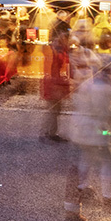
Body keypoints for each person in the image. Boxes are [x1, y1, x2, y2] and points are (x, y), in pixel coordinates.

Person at [63, 46, 111, 221]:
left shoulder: (89, 83)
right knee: (104, 161)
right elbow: (104, 112)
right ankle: (107, 197)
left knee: (83, 165)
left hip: (81, 129)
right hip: (93, 132)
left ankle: (73, 207)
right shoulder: (103, 88)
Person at [41, 11, 73, 142]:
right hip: (53, 83)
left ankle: (48, 132)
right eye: (66, 37)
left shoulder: (58, 48)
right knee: (54, 109)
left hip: (55, 82)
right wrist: (55, 83)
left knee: (55, 109)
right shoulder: (55, 50)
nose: (68, 39)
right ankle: (49, 134)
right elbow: (49, 68)